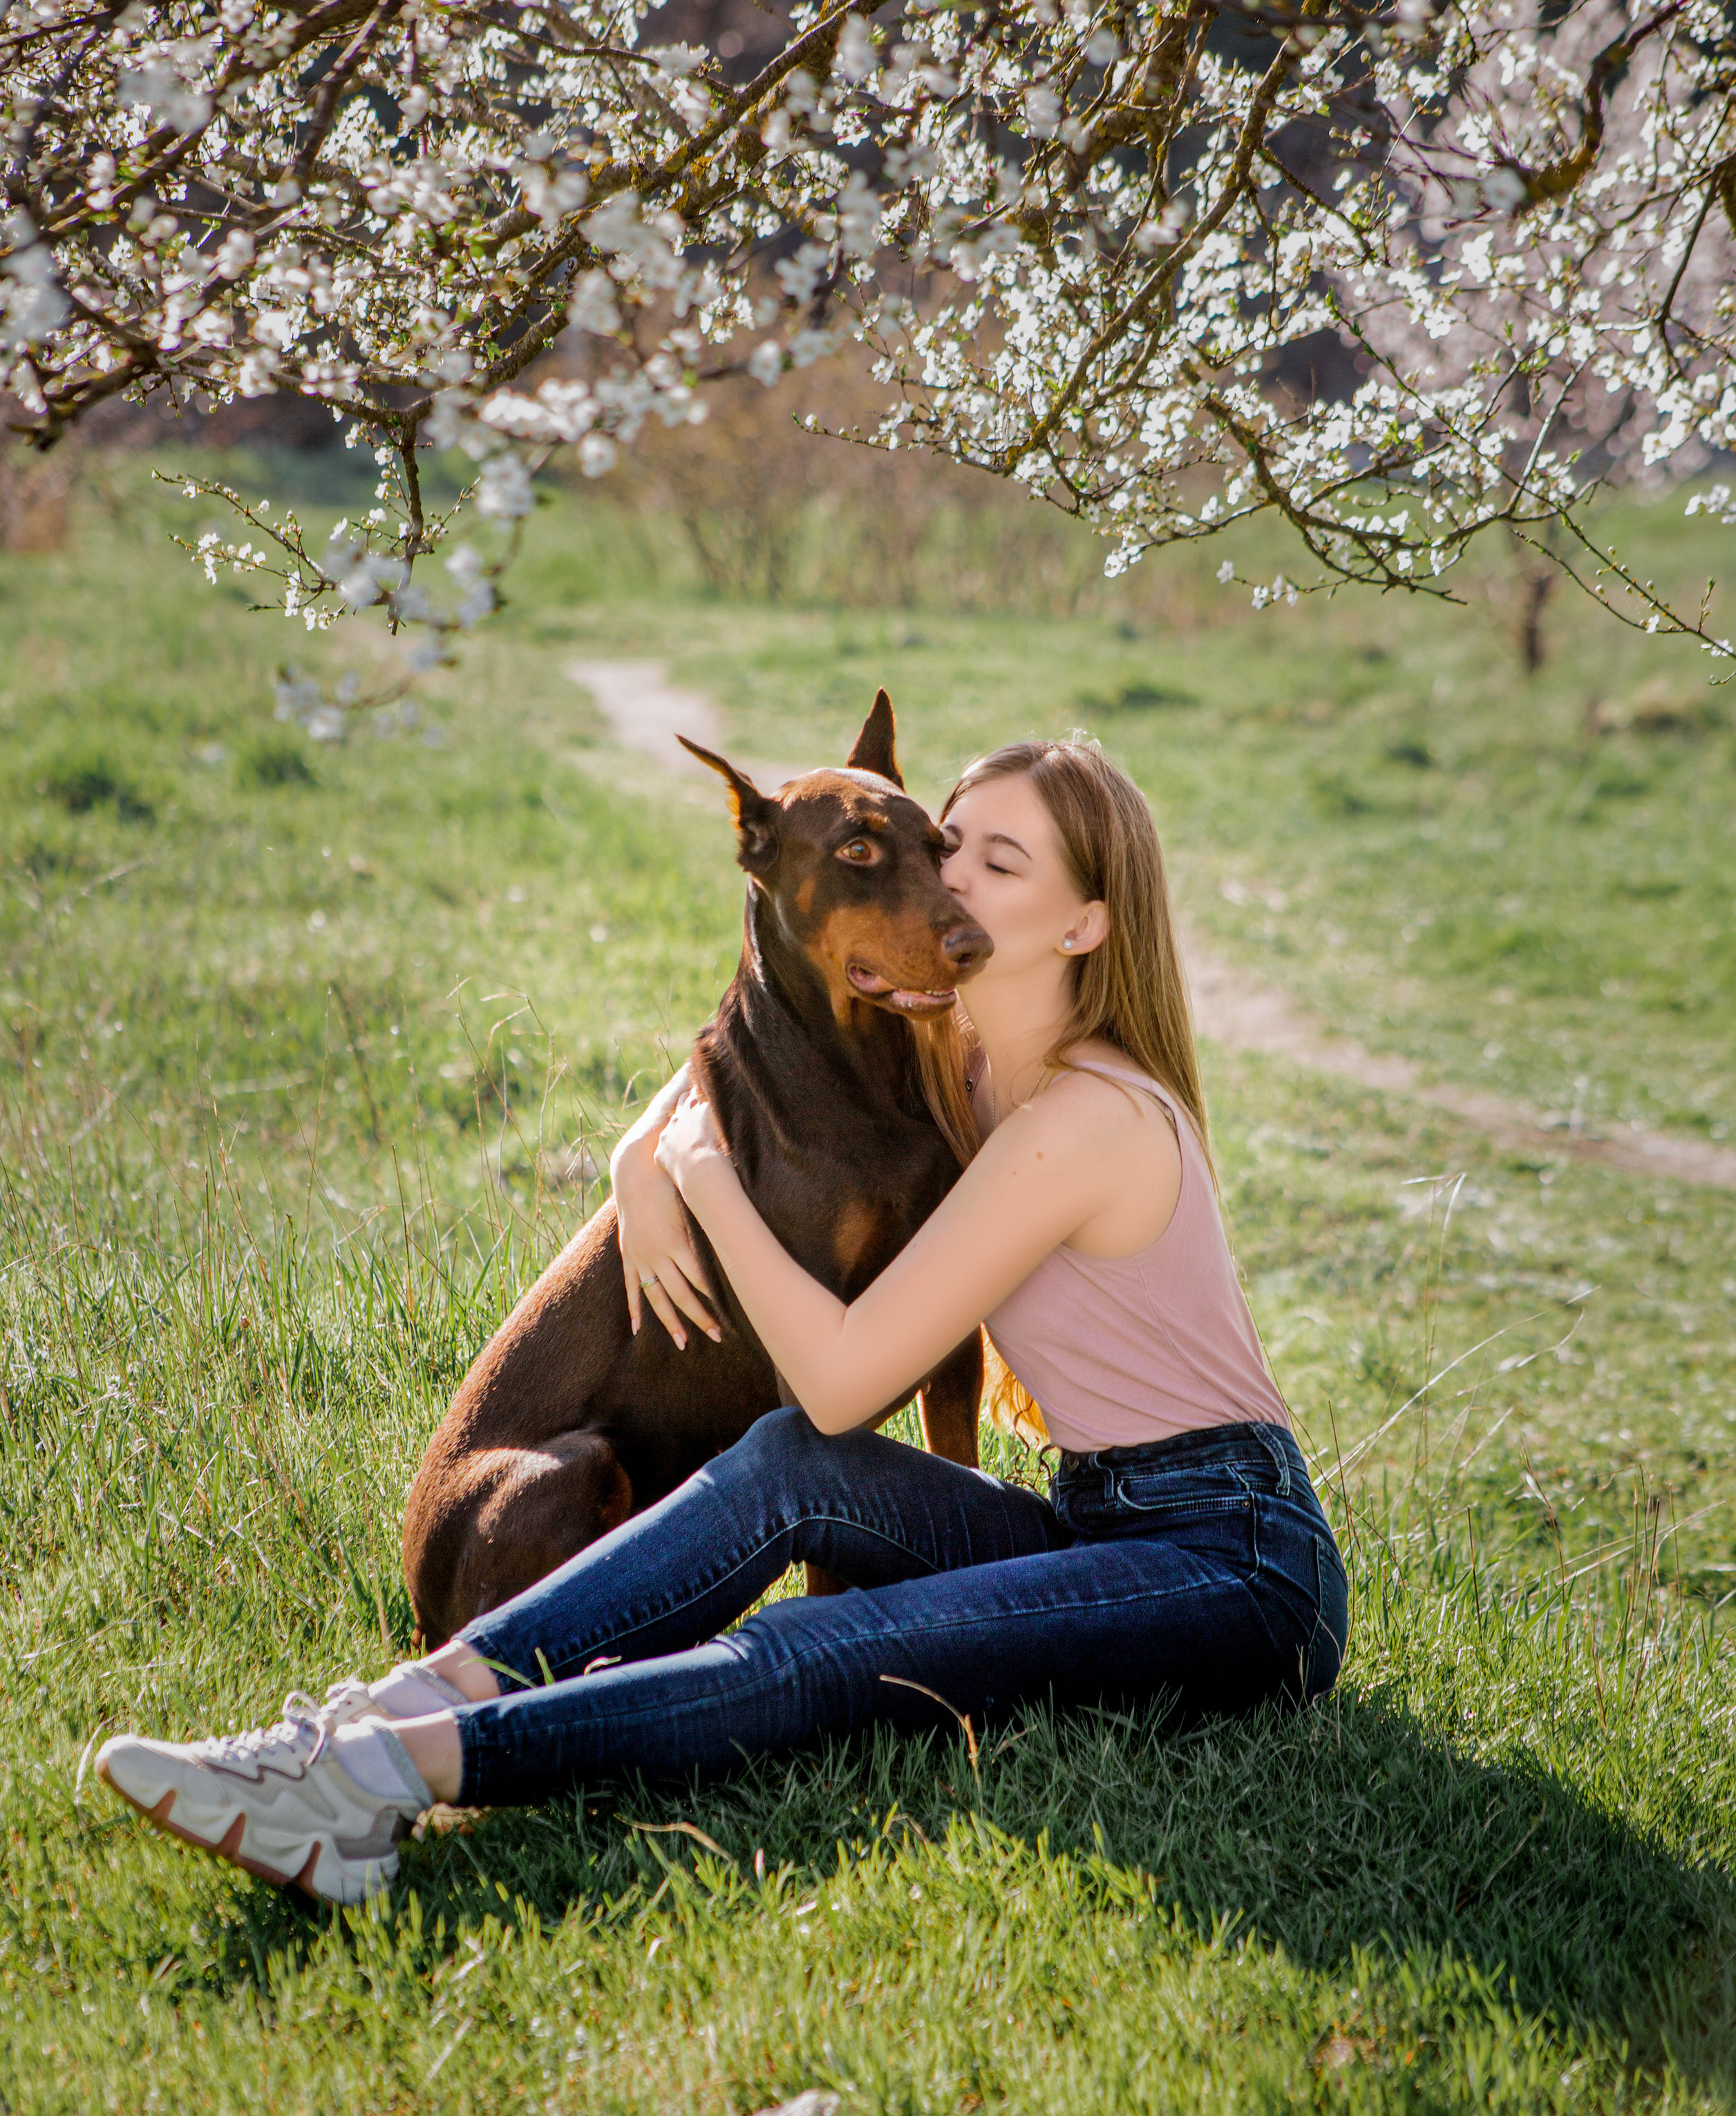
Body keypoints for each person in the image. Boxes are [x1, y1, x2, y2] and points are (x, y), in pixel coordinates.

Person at [98, 738, 1349, 1906]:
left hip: (1235, 1563)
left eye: (993, 864)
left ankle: (379, 1780)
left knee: (827, 1643)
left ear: (1085, 924)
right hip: (1098, 1519)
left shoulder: (1082, 1120)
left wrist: (696, 1182)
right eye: (946, 841)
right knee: (784, 1467)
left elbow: (847, 1382)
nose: (944, 880)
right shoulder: (957, 1053)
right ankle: (383, 1708)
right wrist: (639, 1162)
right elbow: (752, 1054)